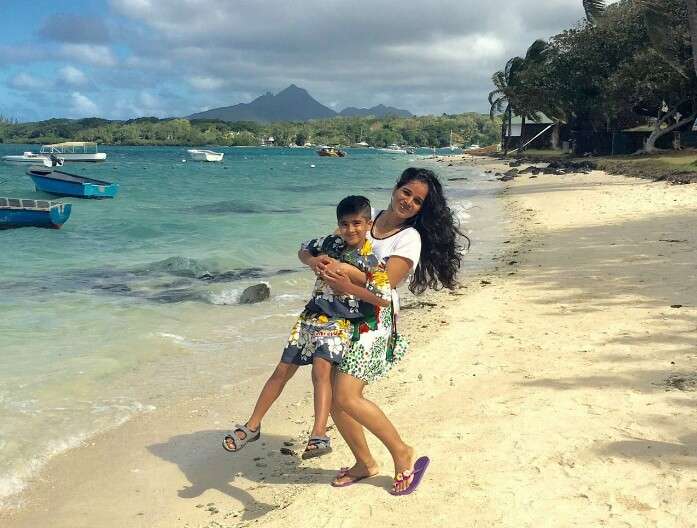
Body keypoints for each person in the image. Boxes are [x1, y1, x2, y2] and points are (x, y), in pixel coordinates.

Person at [310, 167, 467, 495]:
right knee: (337, 401)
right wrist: (317, 261)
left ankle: (402, 452)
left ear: (422, 208)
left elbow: (385, 287)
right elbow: (329, 248)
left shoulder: (409, 238)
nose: (408, 201)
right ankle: (364, 462)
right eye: (406, 192)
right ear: (396, 188)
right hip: (340, 318)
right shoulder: (366, 220)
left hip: (373, 322)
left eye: (417, 200)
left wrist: (344, 276)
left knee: (347, 396)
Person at [222, 196, 391, 459]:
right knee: (282, 370)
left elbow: (382, 298)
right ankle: (252, 425)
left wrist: (348, 287)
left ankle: (319, 433)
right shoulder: (330, 243)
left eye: (357, 223)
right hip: (311, 316)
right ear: (338, 225)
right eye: (344, 224)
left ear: (368, 224)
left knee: (321, 370)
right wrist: (312, 261)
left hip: (340, 321)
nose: (351, 229)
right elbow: (303, 249)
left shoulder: (371, 260)